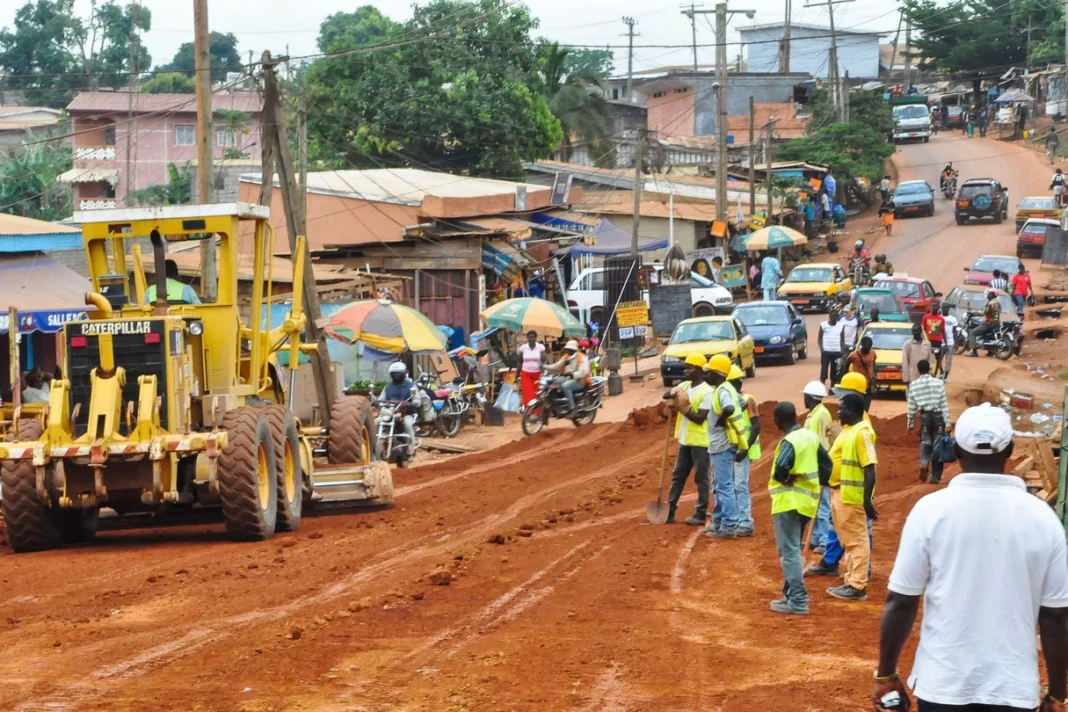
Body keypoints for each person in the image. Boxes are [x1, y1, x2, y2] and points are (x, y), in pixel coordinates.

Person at [873, 403, 1068, 712]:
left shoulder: (930, 511)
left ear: (957, 451)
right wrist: (1057, 695)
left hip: (943, 687)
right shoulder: (1044, 519)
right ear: (1010, 451)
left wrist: (886, 674)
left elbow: (901, 600)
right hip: (1013, 690)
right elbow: (1056, 616)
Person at [768, 401, 834, 616]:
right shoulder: (810, 437)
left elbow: (781, 468)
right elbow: (827, 465)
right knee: (793, 550)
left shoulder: (789, 441)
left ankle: (798, 600)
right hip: (807, 504)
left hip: (788, 502)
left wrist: (785, 478)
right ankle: (790, 595)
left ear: (778, 420)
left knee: (788, 552)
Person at [825, 392, 878, 602]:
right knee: (849, 541)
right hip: (840, 492)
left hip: (852, 496)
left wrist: (866, 500)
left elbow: (869, 467)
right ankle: (851, 579)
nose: (838, 412)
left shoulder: (862, 432)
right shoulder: (848, 430)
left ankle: (857, 585)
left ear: (854, 410)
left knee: (857, 541)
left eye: (842, 408)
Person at [664, 354, 714, 526]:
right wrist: (673, 394)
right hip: (685, 440)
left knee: (701, 479)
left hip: (701, 442)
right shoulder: (684, 386)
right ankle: (669, 511)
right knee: (678, 476)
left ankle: (700, 513)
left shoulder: (707, 391)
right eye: (686, 367)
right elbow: (666, 394)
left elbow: (700, 418)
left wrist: (682, 408)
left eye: (690, 368)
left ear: (699, 370)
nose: (686, 370)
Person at [704, 354, 749, 540]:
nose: (706, 375)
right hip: (728, 442)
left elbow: (730, 408)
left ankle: (729, 525)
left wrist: (722, 421)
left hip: (721, 444)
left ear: (717, 373)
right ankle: (721, 521)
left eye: (709, 372)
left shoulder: (722, 391)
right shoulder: (729, 388)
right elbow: (743, 404)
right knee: (722, 484)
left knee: (724, 486)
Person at [803, 381, 837, 554]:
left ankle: (823, 540)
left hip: (819, 466)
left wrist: (822, 469)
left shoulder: (821, 415)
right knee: (813, 503)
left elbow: (823, 445)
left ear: (809, 397)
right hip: (812, 465)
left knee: (822, 505)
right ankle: (816, 537)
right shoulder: (814, 414)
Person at [906, 359, 951, 486]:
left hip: (925, 416)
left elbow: (911, 407)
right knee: (938, 445)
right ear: (930, 369)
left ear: (918, 370)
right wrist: (948, 423)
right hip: (938, 417)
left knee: (926, 442)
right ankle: (935, 477)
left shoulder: (914, 385)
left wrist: (910, 423)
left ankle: (924, 462)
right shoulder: (938, 383)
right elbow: (943, 404)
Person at [728, 365, 760, 537]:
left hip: (743, 449)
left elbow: (756, 426)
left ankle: (746, 521)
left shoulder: (748, 399)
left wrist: (745, 448)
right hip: (732, 448)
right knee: (731, 485)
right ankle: (735, 519)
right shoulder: (732, 399)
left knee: (740, 485)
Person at [379, 362, 417, 457]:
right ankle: (374, 449)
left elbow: (417, 400)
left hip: (406, 413)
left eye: (398, 373)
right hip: (390, 413)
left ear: (404, 374)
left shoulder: (411, 386)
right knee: (376, 422)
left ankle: (410, 449)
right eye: (394, 373)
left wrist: (410, 404)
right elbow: (381, 399)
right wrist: (377, 403)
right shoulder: (387, 387)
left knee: (408, 424)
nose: (396, 375)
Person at [546, 339, 591, 415]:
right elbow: (557, 366)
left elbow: (584, 371)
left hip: (581, 380)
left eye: (569, 349)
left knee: (565, 386)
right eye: (567, 349)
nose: (567, 351)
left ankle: (572, 408)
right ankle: (556, 404)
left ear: (574, 349)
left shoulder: (581, 357)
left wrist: (572, 374)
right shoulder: (566, 357)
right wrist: (545, 366)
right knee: (552, 381)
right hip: (568, 378)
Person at [845, 336, 877, 410]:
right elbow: (846, 365)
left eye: (869, 347)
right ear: (862, 346)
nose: (867, 349)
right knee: (857, 405)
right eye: (866, 347)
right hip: (857, 384)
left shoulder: (873, 353)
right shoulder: (853, 355)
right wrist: (845, 377)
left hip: (868, 383)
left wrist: (874, 374)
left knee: (866, 406)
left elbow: (874, 362)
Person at [967, 290, 1000, 356]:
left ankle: (974, 352)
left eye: (989, 294)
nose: (988, 295)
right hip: (996, 322)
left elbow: (983, 313)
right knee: (989, 335)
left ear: (993, 295)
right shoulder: (998, 303)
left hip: (989, 322)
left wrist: (973, 313)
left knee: (972, 333)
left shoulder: (990, 303)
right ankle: (991, 352)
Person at [819, 310, 846, 389]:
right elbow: (819, 338)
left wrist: (842, 350)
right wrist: (822, 348)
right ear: (829, 316)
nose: (835, 318)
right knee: (824, 370)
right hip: (826, 351)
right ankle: (822, 388)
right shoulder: (823, 325)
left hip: (836, 352)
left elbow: (842, 339)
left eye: (836, 316)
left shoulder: (841, 326)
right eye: (833, 316)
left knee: (834, 372)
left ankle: (832, 389)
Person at [517, 331, 545, 406]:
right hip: (526, 373)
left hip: (537, 373)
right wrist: (517, 374)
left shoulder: (540, 347)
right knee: (528, 393)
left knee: (537, 392)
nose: (531, 339)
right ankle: (529, 412)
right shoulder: (523, 348)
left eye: (533, 337)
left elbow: (544, 360)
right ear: (527, 338)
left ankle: (537, 412)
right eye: (530, 337)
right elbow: (520, 362)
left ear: (536, 338)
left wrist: (544, 370)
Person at [920, 302, 947, 376]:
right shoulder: (925, 317)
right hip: (928, 342)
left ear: (938, 308)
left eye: (936, 306)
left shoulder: (941, 319)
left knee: (938, 358)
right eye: (933, 306)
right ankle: (926, 373)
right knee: (926, 357)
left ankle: (934, 374)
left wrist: (945, 342)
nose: (934, 307)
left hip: (938, 342)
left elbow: (943, 331)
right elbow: (923, 329)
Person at [940, 303, 958, 381]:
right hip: (940, 342)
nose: (944, 309)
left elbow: (955, 332)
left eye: (946, 307)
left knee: (948, 361)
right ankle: (941, 372)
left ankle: (946, 377)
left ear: (949, 309)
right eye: (943, 307)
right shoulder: (938, 317)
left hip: (950, 342)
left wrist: (956, 342)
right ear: (941, 308)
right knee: (938, 360)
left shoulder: (953, 319)